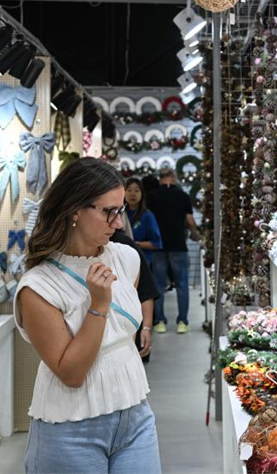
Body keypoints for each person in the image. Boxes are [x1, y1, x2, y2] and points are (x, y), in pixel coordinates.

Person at [15, 158, 160, 473]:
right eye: (109, 212)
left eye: (119, 211)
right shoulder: (38, 286)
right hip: (70, 429)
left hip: (135, 415)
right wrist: (98, 305)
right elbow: (72, 372)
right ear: (74, 211)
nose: (118, 223)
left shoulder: (127, 259)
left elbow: (123, 334)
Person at [149, 167, 199, 334]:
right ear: (172, 177)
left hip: (158, 246)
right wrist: (194, 233)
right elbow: (190, 220)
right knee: (182, 284)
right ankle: (182, 322)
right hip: (178, 245)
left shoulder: (152, 197)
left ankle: (160, 322)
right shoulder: (182, 196)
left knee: (159, 285)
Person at [111, 229, 161, 364]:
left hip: (128, 338)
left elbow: (145, 290)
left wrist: (146, 328)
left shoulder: (125, 247)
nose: (118, 222)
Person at [124, 178, 163, 264]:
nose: (132, 194)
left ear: (142, 194)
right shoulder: (119, 214)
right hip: (122, 260)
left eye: (136, 191)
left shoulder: (147, 216)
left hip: (142, 261)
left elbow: (156, 243)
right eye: (129, 190)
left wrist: (136, 244)